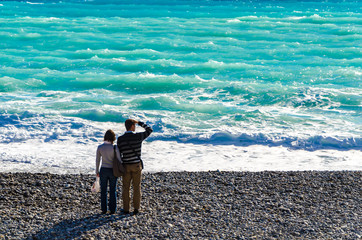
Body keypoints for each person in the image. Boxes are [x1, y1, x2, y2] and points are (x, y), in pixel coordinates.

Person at [117, 119, 153, 215]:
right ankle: (136, 208)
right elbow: (149, 130)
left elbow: (119, 153)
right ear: (132, 126)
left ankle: (126, 209)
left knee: (126, 187)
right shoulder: (138, 136)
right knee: (136, 187)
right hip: (136, 165)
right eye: (135, 125)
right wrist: (141, 123)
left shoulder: (120, 139)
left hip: (126, 166)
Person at [96, 129, 119, 214]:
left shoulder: (100, 147)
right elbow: (119, 159)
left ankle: (104, 209)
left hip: (103, 169)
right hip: (113, 170)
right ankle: (113, 209)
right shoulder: (114, 147)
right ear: (113, 138)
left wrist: (96, 171)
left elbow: (97, 160)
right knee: (113, 190)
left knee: (103, 190)